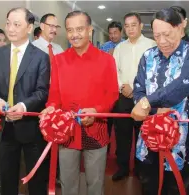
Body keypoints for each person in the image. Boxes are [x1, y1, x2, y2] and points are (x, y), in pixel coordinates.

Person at [40, 10, 119, 195]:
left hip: (96, 130)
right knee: (68, 182)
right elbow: (54, 95)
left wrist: (96, 111)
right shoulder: (59, 61)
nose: (74, 35)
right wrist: (50, 108)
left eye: (80, 29)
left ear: (90, 30)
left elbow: (113, 94)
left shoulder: (106, 60)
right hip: (66, 132)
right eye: (70, 30)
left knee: (96, 183)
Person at [131, 8, 189, 195]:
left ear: (180, 28)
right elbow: (138, 88)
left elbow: (184, 84)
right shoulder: (148, 56)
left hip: (180, 139)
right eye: (157, 36)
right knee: (149, 185)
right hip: (150, 136)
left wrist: (148, 102)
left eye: (167, 34)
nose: (162, 41)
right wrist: (150, 108)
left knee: (176, 188)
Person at [0, 7, 50, 195]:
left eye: (17, 24)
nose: (10, 29)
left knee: (36, 180)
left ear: (29, 28)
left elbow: (42, 92)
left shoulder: (41, 58)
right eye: (8, 23)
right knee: (7, 177)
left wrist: (22, 106)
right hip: (6, 128)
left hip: (31, 128)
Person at [111, 12, 156, 181]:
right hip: (123, 96)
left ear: (141, 26)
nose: (130, 29)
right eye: (127, 26)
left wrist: (135, 87)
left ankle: (140, 169)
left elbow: (152, 72)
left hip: (144, 98)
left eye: (133, 25)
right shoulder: (120, 48)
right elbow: (114, 71)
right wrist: (122, 85)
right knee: (122, 134)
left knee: (142, 135)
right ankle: (122, 167)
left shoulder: (151, 45)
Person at [99, 21, 124, 146]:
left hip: (122, 91)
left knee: (121, 125)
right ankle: (105, 147)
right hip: (106, 90)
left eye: (115, 33)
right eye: (110, 33)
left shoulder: (126, 46)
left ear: (121, 32)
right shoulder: (104, 47)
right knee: (106, 122)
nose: (113, 36)